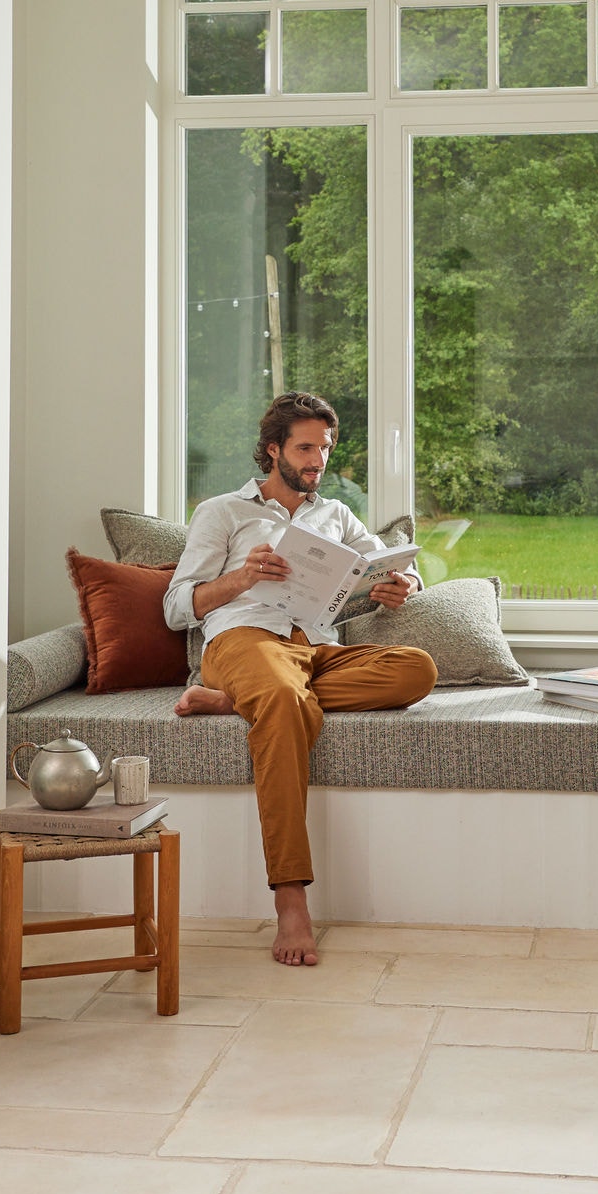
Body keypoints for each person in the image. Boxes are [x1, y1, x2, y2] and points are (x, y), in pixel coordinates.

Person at [165, 392, 437, 967]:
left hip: (313, 646)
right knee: (284, 702)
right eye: (306, 448)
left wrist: (401, 583)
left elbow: (392, 560)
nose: (318, 460)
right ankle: (291, 899)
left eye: (326, 448)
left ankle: (235, 703)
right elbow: (176, 608)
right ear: (273, 450)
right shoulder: (223, 512)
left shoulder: (335, 515)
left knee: (416, 669)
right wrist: (241, 578)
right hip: (244, 640)